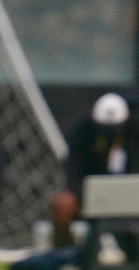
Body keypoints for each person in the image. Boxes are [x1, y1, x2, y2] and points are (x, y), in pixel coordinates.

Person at [51, 92, 133, 248]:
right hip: (86, 194)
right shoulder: (82, 132)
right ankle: (66, 254)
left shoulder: (133, 135)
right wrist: (82, 192)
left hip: (129, 196)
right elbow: (73, 168)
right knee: (63, 204)